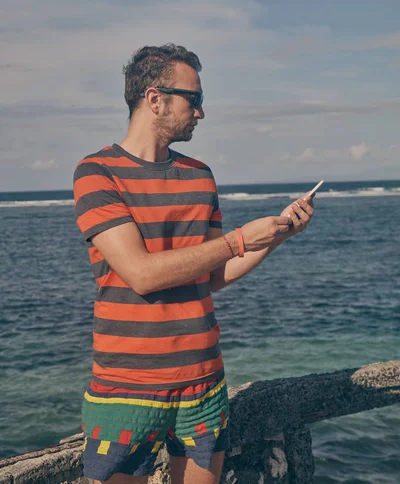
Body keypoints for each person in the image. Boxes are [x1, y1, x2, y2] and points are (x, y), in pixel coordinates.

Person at [73, 43, 314, 484]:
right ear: (154, 98)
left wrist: (277, 237)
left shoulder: (200, 175)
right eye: (194, 99)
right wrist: (239, 239)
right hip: (127, 387)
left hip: (203, 382)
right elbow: (142, 274)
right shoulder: (96, 172)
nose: (201, 112)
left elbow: (211, 276)